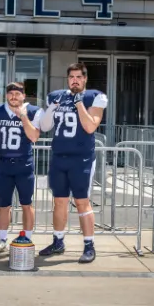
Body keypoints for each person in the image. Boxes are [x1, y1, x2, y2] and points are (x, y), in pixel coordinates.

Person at [37, 63, 107, 263]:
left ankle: (89, 245)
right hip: (59, 157)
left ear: (85, 79)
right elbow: (45, 125)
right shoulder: (57, 95)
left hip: (81, 158)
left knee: (82, 202)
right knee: (59, 201)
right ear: (67, 79)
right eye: (71, 77)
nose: (74, 80)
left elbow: (90, 126)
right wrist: (52, 107)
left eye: (78, 77)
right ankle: (58, 242)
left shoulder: (94, 97)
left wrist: (78, 104)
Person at [0, 82, 42, 254]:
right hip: (4, 164)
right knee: (4, 204)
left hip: (24, 163)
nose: (14, 96)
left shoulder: (33, 111)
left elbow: (34, 137)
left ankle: (27, 238)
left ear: (23, 96)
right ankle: (2, 239)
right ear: (6, 96)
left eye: (17, 94)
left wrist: (23, 117)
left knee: (27, 203)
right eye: (10, 93)